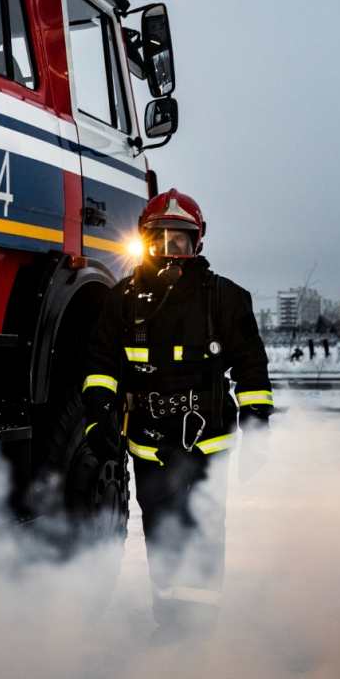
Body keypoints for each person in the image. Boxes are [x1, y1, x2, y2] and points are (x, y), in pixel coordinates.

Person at [80, 189, 273, 641]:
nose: (170, 251)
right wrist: (96, 412)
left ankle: (199, 629)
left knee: (203, 528)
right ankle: (169, 622)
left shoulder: (224, 298)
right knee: (161, 530)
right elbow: (100, 361)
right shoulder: (122, 299)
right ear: (144, 242)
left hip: (208, 440)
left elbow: (251, 365)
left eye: (180, 242)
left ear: (197, 244)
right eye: (159, 240)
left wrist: (258, 423)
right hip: (148, 440)